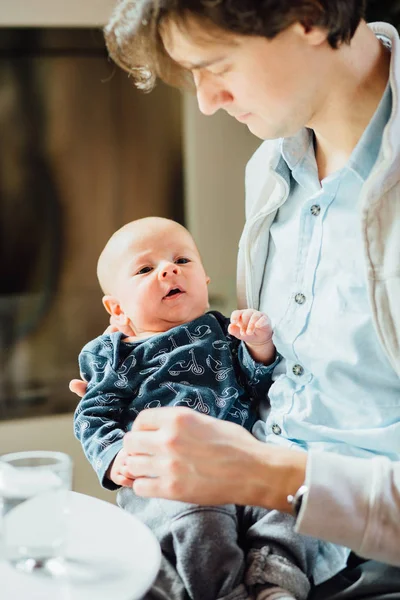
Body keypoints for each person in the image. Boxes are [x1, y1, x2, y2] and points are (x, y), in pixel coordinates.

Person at [70, 0, 400, 597]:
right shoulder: (269, 171)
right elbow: (262, 376)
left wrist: (265, 473)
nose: (205, 101)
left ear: (308, 14)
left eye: (215, 64)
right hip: (247, 535)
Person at [74, 216, 328, 600]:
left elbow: (256, 385)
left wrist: (258, 346)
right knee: (197, 516)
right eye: (146, 268)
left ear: (205, 281)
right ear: (116, 306)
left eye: (182, 260)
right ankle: (223, 592)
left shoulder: (221, 332)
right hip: (166, 477)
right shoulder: (117, 354)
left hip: (240, 461)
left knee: (289, 504)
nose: (169, 269)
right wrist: (114, 455)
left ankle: (274, 581)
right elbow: (93, 414)